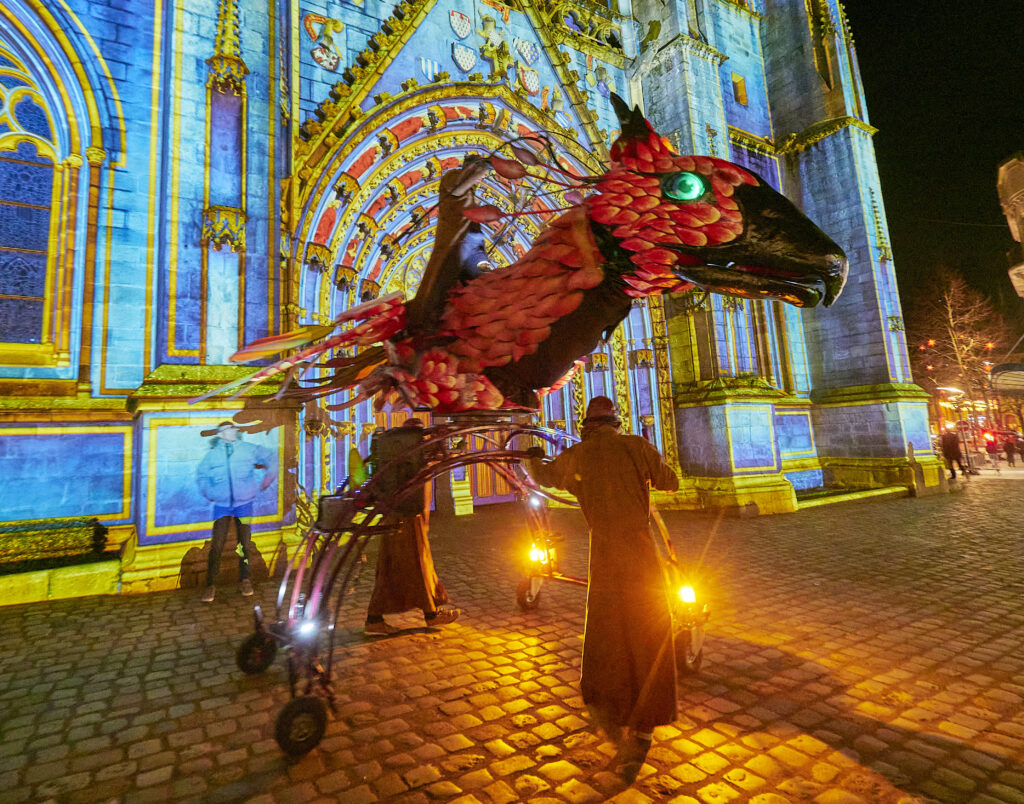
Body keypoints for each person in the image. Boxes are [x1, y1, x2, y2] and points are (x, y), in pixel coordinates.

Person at [525, 396, 679, 783]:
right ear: (616, 420)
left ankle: (610, 699)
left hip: (605, 557)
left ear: (587, 424)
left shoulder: (580, 455)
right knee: (648, 631)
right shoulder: (635, 446)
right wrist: (647, 460)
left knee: (608, 631)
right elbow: (671, 482)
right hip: (642, 555)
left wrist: (533, 457)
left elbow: (545, 477)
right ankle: (647, 720)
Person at [364, 418, 460, 634]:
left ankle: (427, 612)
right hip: (407, 514)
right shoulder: (411, 456)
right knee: (410, 562)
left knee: (413, 562)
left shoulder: (402, 456)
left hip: (405, 513)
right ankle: (379, 619)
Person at [196, 422, 277, 602]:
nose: (233, 432)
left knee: (244, 544)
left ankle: (245, 580)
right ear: (220, 434)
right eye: (228, 430)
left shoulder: (247, 449)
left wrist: (269, 477)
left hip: (244, 505)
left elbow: (271, 457)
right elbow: (201, 475)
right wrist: (209, 492)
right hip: (222, 506)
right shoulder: (212, 456)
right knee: (216, 545)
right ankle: (210, 585)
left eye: (234, 429)